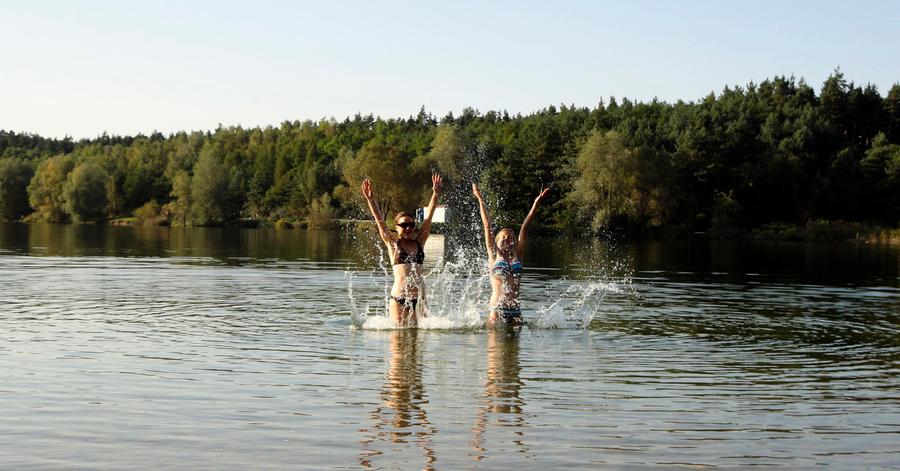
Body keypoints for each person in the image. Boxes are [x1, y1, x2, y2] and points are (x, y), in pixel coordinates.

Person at [361, 174, 442, 326]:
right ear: (396, 227)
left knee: (417, 346)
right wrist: (370, 200)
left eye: (411, 225)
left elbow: (428, 218)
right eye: (404, 225)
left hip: (419, 300)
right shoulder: (393, 244)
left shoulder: (420, 242)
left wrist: (435, 195)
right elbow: (380, 221)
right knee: (398, 344)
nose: (408, 228)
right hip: (399, 299)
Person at [472, 183, 550, 326]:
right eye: (504, 237)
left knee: (514, 349)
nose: (508, 239)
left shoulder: (518, 255)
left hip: (515, 310)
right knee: (495, 348)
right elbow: (487, 225)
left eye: (511, 238)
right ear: (497, 241)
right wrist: (479, 198)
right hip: (497, 308)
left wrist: (535, 204)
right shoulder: (494, 254)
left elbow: (525, 228)